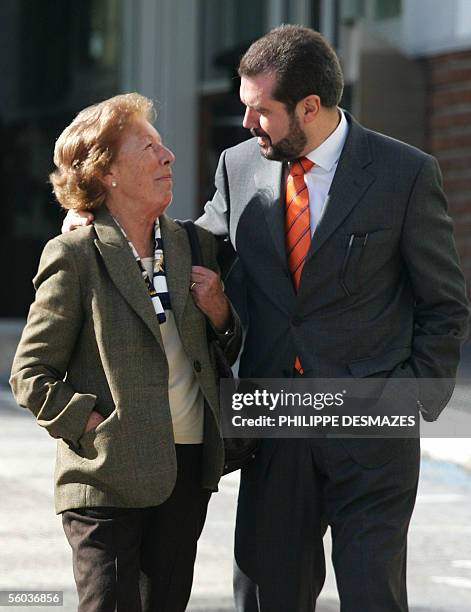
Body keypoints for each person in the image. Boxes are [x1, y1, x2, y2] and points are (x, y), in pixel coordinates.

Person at [62, 26, 470, 612]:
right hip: (274, 422)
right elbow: (192, 245)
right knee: (264, 596)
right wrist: (97, 220)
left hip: (372, 428)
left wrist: (408, 400)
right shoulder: (240, 166)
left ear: (310, 106)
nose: (248, 124)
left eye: (261, 111)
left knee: (372, 595)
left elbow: (445, 305)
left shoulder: (404, 174)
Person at [10, 92, 241, 612]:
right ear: (108, 171)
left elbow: (223, 345)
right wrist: (93, 424)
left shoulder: (191, 245)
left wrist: (221, 311)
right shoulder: (74, 254)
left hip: (185, 466)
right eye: (149, 146)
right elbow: (30, 372)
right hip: (106, 475)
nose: (169, 156)